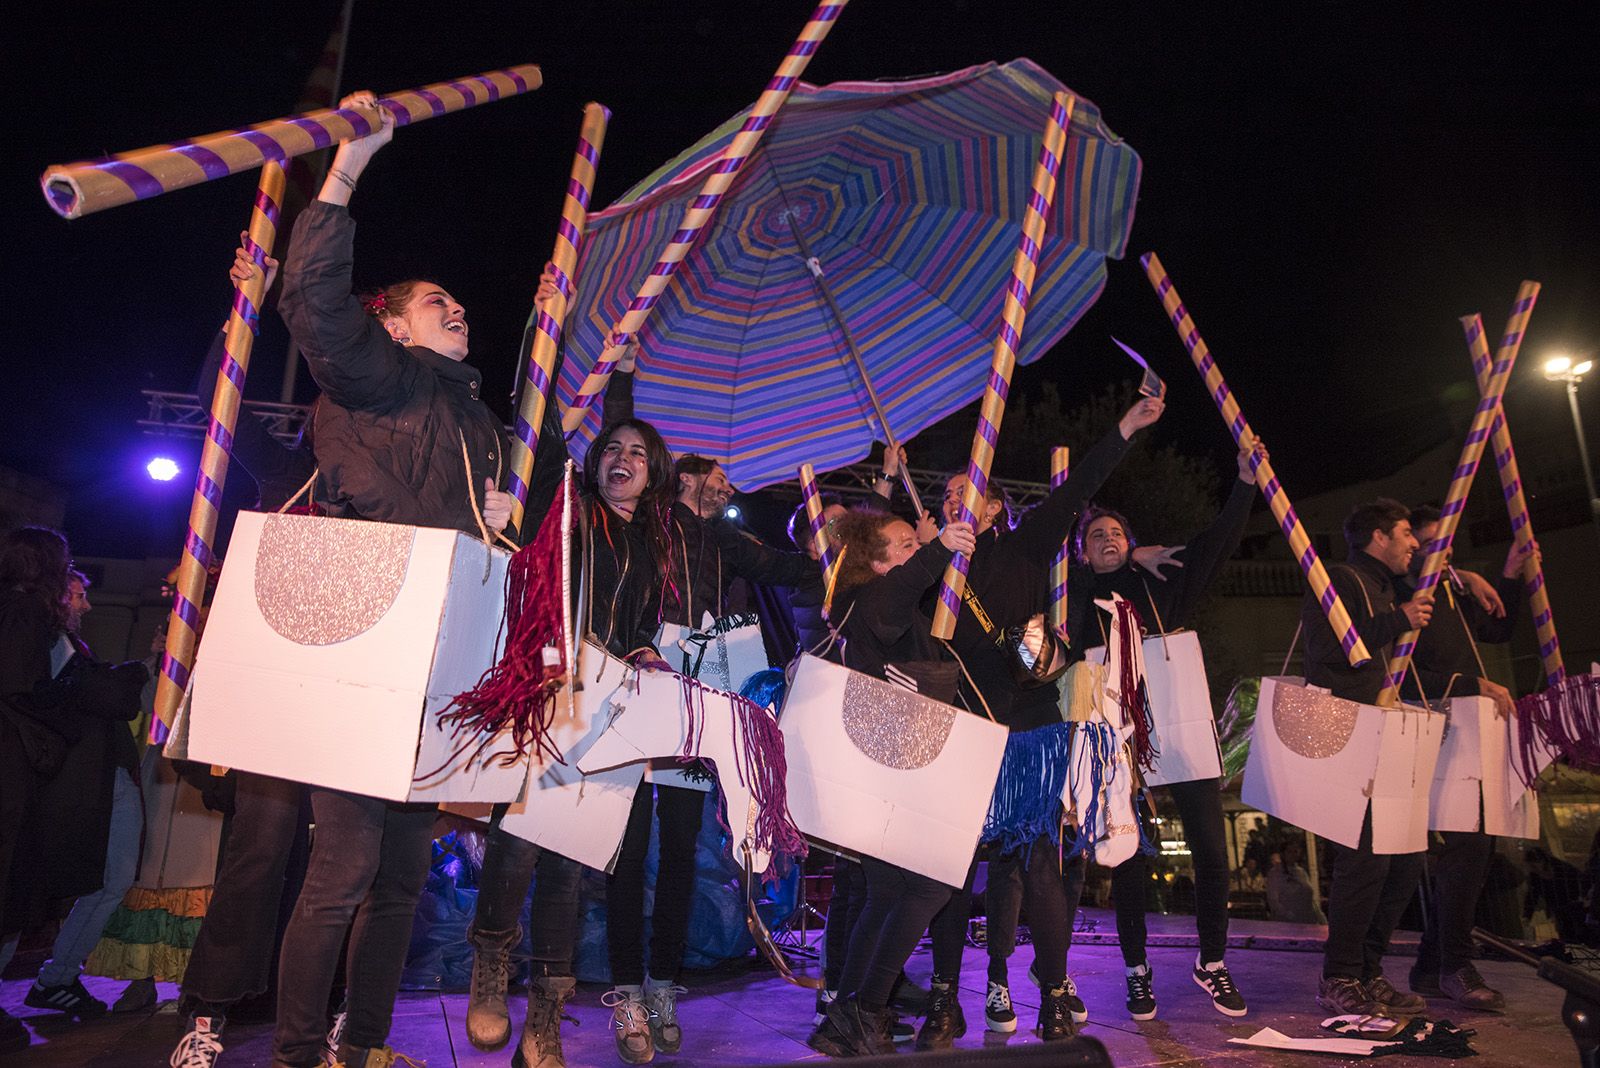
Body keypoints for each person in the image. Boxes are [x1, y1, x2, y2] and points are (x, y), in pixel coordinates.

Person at [194, 89, 564, 1068]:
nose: (459, 310)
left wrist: (501, 522)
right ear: (395, 329)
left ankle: (362, 1043)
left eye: (460, 305)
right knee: (343, 871)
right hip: (367, 647)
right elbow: (317, 306)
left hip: (438, 663)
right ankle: (296, 1051)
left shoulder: (480, 423)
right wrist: (350, 167)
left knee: (400, 878)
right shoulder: (381, 382)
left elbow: (534, 498)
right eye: (439, 304)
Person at [918, 395, 1166, 1048]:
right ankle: (944, 998)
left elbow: (1078, 488)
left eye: (968, 492)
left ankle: (1053, 996)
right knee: (950, 868)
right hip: (961, 729)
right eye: (946, 495)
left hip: (1028, 729)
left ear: (995, 508)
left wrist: (1124, 428)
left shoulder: (1026, 546)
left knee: (1040, 864)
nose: (954, 500)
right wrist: (923, 549)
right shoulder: (932, 566)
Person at [466, 415, 674, 1068]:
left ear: (653, 473)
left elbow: (638, 626)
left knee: (569, 863)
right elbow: (548, 437)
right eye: (611, 448)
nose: (621, 458)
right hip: (550, 687)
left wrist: (646, 653)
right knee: (518, 840)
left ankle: (544, 1024)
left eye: (637, 452)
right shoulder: (573, 513)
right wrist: (582, 357)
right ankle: (490, 964)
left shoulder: (654, 547)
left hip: (608, 710)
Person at [1056, 439, 1263, 1022]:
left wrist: (1245, 483)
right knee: (1128, 854)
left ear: (1131, 542)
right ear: (1081, 552)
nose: (1108, 539)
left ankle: (1213, 960)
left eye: (1118, 533)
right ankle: (1136, 970)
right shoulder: (1072, 598)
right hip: (1115, 738)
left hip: (1178, 727)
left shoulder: (1160, 587)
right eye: (1097, 536)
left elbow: (1216, 544)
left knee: (1211, 849)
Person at [805, 508, 976, 1058]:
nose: (915, 548)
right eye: (903, 545)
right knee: (929, 887)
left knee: (886, 896)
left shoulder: (878, 606)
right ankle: (864, 1009)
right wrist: (940, 546)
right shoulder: (876, 599)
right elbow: (902, 587)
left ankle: (845, 1019)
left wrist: (927, 548)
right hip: (895, 768)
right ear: (877, 564)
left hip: (888, 766)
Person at [1, 529, 147, 1051]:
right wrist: (114, 683)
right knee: (18, 886)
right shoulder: (26, 619)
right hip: (53, 777)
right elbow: (37, 692)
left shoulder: (57, 638)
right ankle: (54, 978)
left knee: (102, 878)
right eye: (75, 589)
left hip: (88, 773)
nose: (84, 602)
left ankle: (58, 976)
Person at [1306, 499, 1435, 1016]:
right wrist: (1397, 621)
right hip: (1350, 732)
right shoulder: (1340, 578)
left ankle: (1368, 969)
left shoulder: (1386, 587)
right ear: (1379, 537)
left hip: (1387, 734)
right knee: (1364, 858)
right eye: (1405, 533)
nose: (1415, 543)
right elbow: (1331, 649)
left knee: (1405, 858)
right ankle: (1339, 974)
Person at [1402, 505, 1533, 1012]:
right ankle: (1453, 964)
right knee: (1466, 846)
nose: (1446, 553)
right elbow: (1405, 676)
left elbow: (1497, 631)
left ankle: (1432, 965)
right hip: (1434, 732)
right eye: (1433, 544)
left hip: (1469, 731)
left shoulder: (1452, 591)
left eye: (1448, 544)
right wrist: (1473, 684)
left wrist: (1509, 574)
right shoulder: (1406, 599)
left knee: (1476, 846)